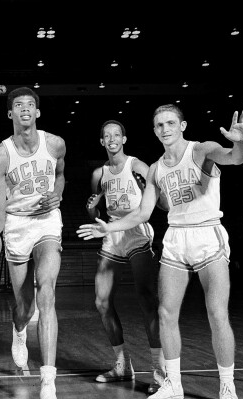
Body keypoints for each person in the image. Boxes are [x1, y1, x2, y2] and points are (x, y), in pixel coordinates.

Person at [78, 105, 243, 399]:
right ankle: (172, 384)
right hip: (176, 237)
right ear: (154, 130)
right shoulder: (156, 169)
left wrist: (240, 141)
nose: (165, 129)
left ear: (183, 125)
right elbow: (142, 213)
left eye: (170, 123)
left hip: (207, 232)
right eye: (159, 125)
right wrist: (107, 229)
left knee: (216, 313)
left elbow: (234, 158)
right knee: (165, 312)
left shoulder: (201, 150)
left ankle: (227, 385)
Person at [0, 87, 66, 399]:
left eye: (30, 105)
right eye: (18, 105)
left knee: (47, 290)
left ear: (37, 112)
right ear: (11, 114)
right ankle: (19, 331)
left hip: (48, 221)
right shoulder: (0, 157)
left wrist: (58, 191)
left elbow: (60, 175)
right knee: (25, 306)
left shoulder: (55, 143)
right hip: (17, 223)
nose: (24, 110)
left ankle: (48, 379)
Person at [85, 120, 165, 394]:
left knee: (146, 298)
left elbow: (160, 202)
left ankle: (160, 371)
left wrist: (148, 189)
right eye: (106, 136)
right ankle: (121, 365)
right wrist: (93, 210)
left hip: (137, 231)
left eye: (116, 134)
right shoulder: (99, 174)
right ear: (102, 142)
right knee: (101, 300)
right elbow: (96, 216)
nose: (111, 139)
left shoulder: (137, 165)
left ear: (124, 138)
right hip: (112, 233)